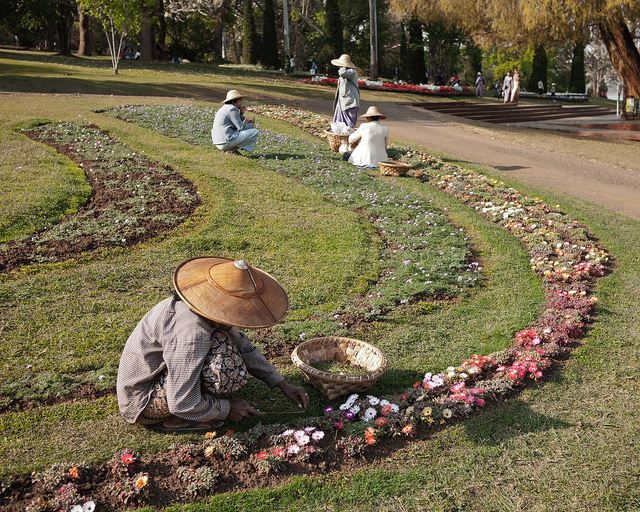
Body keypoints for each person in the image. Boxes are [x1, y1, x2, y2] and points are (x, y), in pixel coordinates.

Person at [117, 257, 309, 432]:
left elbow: (243, 346)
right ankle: (178, 420)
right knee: (226, 367)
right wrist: (227, 409)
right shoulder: (192, 333)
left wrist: (281, 383)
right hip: (143, 401)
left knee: (227, 346)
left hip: (165, 373)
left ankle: (200, 404)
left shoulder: (201, 309)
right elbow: (181, 402)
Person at [211, 90, 258, 154]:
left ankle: (231, 150)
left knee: (249, 130)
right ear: (234, 101)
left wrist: (241, 114)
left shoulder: (225, 107)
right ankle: (231, 150)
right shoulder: (232, 109)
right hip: (225, 141)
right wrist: (251, 123)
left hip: (218, 141)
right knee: (254, 132)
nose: (241, 103)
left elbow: (235, 123)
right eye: (240, 101)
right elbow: (240, 127)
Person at [331, 53, 360, 128]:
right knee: (339, 123)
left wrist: (343, 66)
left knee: (349, 124)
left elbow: (342, 73)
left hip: (350, 102)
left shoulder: (352, 72)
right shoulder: (343, 74)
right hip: (342, 102)